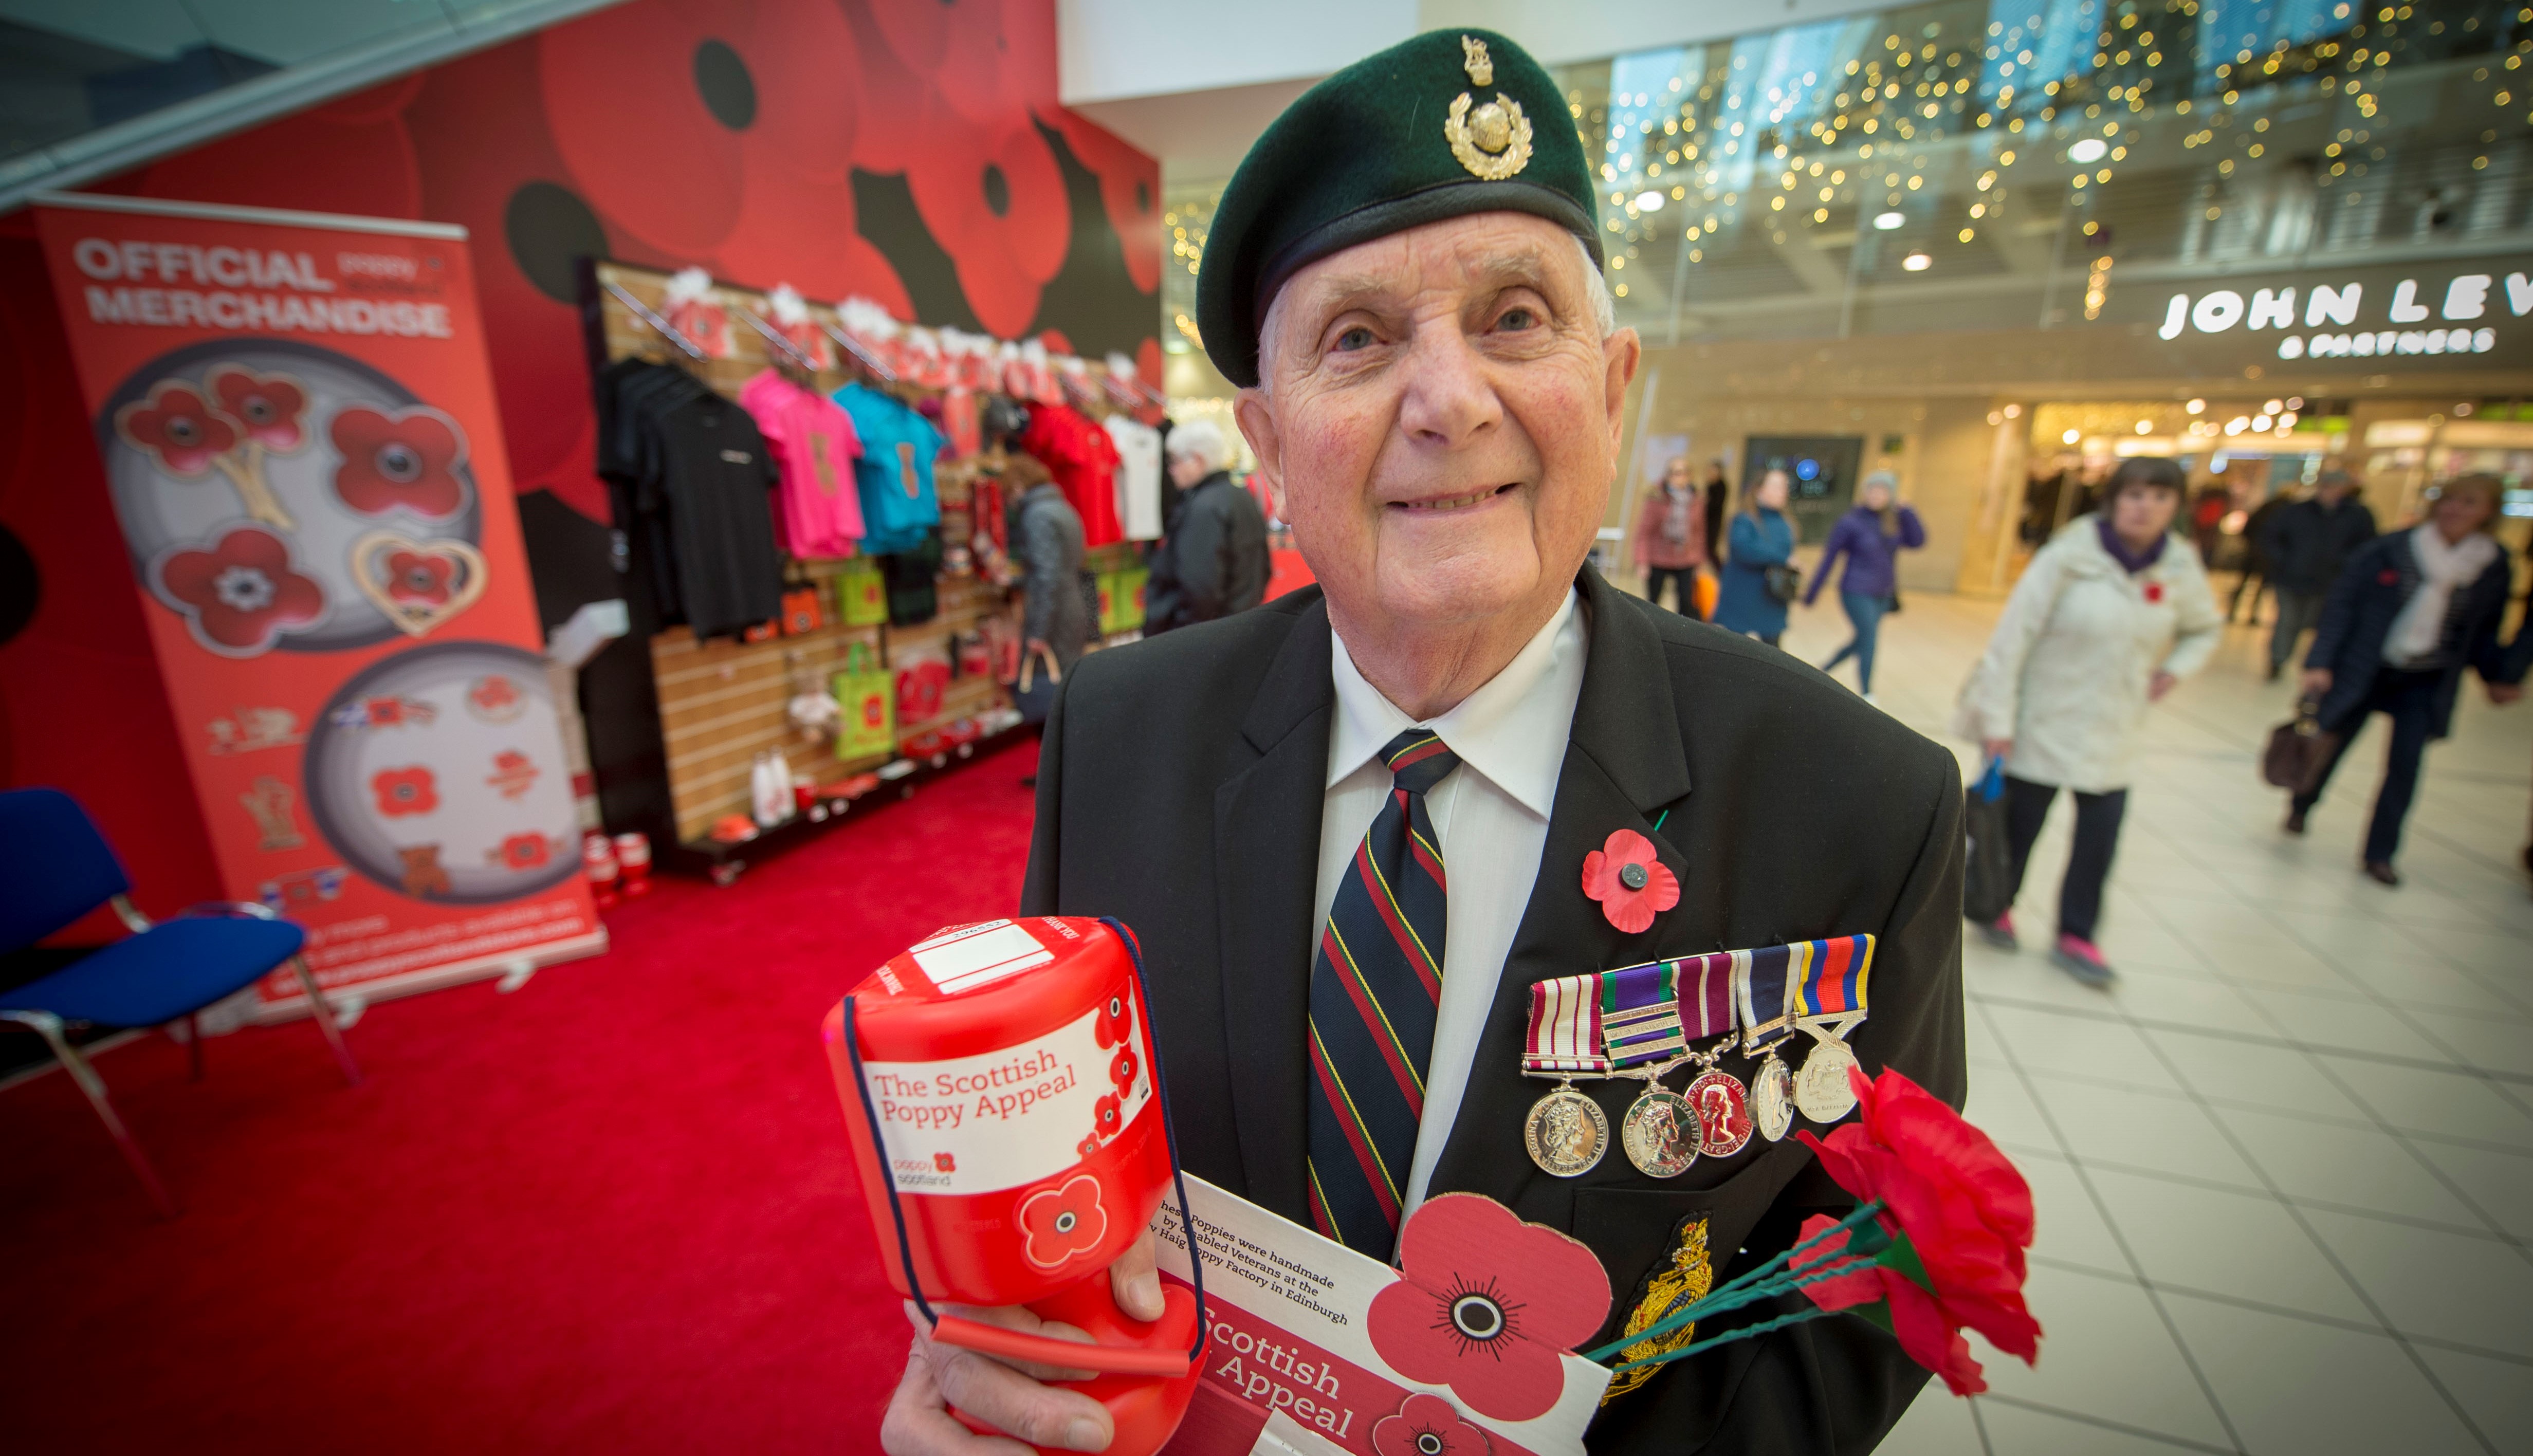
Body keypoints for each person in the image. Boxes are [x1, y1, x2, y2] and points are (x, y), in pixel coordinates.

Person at [882, 29, 1967, 1456]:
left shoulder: (1857, 801)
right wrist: (1003, 1382)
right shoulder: (1121, 730)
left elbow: (1877, 1262)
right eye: (1359, 338)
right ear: (1268, 444)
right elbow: (1057, 1171)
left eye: (1517, 318)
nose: (1451, 401)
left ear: (1617, 384)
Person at [1954, 456, 2222, 986]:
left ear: (2175, 507)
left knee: (2099, 835)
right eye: (2134, 495)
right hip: (2042, 720)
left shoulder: (2177, 567)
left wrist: (2173, 670)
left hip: (2114, 730)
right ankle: (1995, 906)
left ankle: (2076, 932)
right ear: (2113, 500)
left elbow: (2203, 628)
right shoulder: (2068, 557)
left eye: (2159, 497)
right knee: (2018, 828)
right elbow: (2012, 640)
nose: (2145, 507)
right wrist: (1997, 719)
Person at [2287, 474, 2523, 884]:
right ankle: (2302, 803)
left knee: (2405, 765)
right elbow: (2341, 605)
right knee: (2332, 743)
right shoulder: (2392, 549)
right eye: (2448, 499)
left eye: (2468, 502)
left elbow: (2485, 629)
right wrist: (2320, 661)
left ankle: (2381, 852)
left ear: (2488, 511)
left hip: (2426, 677)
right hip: (2367, 666)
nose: (2455, 509)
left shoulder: (2491, 563)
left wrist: (2499, 676)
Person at [1804, 470, 1926, 699]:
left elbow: (1918, 541)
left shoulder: (1894, 521)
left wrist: (1908, 511)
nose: (1877, 495)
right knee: (1869, 639)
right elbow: (1830, 557)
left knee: (1863, 639)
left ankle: (1823, 670)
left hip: (1883, 593)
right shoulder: (1851, 521)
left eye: (1883, 491)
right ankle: (1868, 694)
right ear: (1865, 492)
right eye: (1873, 489)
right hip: (1855, 590)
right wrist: (1812, 593)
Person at [1143, 418, 1270, 634]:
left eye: (1175, 462)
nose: (1172, 471)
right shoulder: (1239, 496)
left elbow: (1200, 588)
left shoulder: (1203, 507)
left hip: (1206, 634)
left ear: (1198, 460)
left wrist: (1183, 635)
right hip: (1239, 624)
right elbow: (1263, 568)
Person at [2259, 467, 2377, 681]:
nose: (2329, 491)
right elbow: (2271, 536)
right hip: (2291, 578)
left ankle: (2314, 664)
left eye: (2335, 487)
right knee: (2287, 621)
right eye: (2326, 486)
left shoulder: (2357, 516)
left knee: (2315, 625)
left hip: (2329, 582)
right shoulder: (2297, 511)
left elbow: (2367, 548)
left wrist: (2345, 567)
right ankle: (2278, 660)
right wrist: (2282, 560)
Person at [1007, 454, 1092, 679]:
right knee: (1069, 680)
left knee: (1051, 687)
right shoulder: (1062, 508)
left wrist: (1039, 631)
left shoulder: (1037, 516)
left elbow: (1047, 576)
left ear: (1017, 487)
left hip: (1054, 616)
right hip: (1070, 605)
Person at [1711, 468, 1796, 646]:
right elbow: (1744, 549)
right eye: (1776, 486)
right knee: (1733, 649)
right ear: (1759, 490)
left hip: (1773, 597)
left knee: (1773, 655)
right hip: (1742, 594)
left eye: (1784, 487)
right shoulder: (1744, 519)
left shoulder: (1785, 522)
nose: (1782, 492)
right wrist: (1782, 559)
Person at [1629, 454, 1707, 616]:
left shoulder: (1696, 500)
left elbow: (1699, 533)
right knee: (1653, 601)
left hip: (1686, 559)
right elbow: (1644, 532)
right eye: (1674, 472)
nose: (1678, 477)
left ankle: (1681, 635)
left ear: (1689, 475)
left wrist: (1699, 561)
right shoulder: (1657, 497)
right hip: (1659, 558)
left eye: (1683, 472)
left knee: (1686, 601)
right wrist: (1642, 561)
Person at [2230, 488, 2289, 626]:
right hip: (2268, 555)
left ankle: (2233, 611)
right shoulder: (2285, 513)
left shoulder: (2267, 507)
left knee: (2244, 582)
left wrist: (2250, 543)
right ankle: (2253, 614)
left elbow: (2249, 526)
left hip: (2254, 550)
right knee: (2261, 586)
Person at [1701, 458, 1730, 567]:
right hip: (1706, 521)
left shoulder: (1721, 485)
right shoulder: (1710, 485)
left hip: (1714, 522)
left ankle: (1721, 570)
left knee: (1710, 550)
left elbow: (1715, 505)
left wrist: (1705, 504)